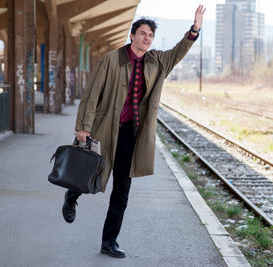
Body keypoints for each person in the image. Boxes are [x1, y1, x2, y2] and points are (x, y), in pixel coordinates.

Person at [61, 5, 206, 258]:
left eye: (150, 35)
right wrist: (83, 128)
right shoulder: (111, 60)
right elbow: (91, 95)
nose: (146, 38)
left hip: (131, 134)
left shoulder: (156, 61)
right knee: (91, 174)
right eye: (142, 33)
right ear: (132, 35)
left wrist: (195, 29)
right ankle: (72, 196)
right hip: (105, 130)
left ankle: (109, 241)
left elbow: (178, 52)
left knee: (121, 191)